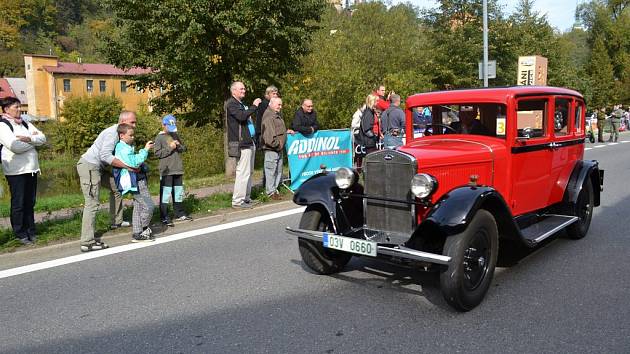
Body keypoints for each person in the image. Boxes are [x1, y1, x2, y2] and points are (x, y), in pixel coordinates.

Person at [77, 111, 137, 252]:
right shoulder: (112, 134)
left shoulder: (122, 134)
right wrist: (127, 166)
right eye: (132, 122)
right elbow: (105, 156)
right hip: (89, 166)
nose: (135, 125)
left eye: (135, 122)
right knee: (92, 203)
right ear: (123, 122)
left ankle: (116, 221)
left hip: (99, 168)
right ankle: (87, 242)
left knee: (117, 188)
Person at [0, 97, 46, 245]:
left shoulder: (25, 123)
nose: (20, 110)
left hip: (31, 168)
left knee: (30, 202)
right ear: (6, 109)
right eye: (16, 107)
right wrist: (33, 142)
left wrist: (28, 139)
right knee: (18, 203)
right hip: (16, 171)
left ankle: (31, 230)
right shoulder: (3, 125)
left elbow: (43, 138)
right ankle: (20, 233)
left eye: (20, 107)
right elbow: (15, 147)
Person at [113, 124, 155, 242]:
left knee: (137, 206)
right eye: (130, 135)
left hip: (136, 180)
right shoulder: (123, 148)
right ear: (121, 135)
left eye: (133, 135)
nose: (133, 137)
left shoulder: (125, 146)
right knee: (148, 206)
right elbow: (134, 163)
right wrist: (145, 150)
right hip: (135, 181)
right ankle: (144, 228)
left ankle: (137, 233)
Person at [226, 81, 261, 209]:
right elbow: (241, 117)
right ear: (233, 91)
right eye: (241, 89)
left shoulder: (241, 104)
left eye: (244, 88)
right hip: (241, 142)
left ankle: (246, 198)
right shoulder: (231, 104)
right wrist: (254, 106)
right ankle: (238, 201)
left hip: (249, 141)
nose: (244, 91)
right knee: (243, 172)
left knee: (249, 172)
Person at [154, 114, 191, 226]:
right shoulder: (159, 137)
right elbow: (157, 154)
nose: (170, 130)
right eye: (168, 127)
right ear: (163, 125)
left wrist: (179, 146)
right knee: (165, 194)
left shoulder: (175, 134)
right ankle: (164, 216)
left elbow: (183, 148)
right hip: (166, 170)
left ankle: (179, 213)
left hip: (177, 169)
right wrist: (170, 147)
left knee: (178, 193)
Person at [261, 97, 293, 199]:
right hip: (272, 149)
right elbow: (269, 136)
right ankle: (271, 193)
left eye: (281, 104)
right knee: (271, 170)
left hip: (277, 148)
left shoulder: (275, 115)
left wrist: (285, 133)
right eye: (278, 104)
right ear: (272, 104)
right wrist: (278, 144)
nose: (280, 107)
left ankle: (275, 190)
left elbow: (278, 130)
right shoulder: (269, 116)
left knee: (278, 170)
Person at [355, 94, 379, 172]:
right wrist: (374, 137)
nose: (377, 103)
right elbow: (367, 129)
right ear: (372, 102)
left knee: (372, 159)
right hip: (369, 141)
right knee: (371, 160)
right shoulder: (368, 113)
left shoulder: (370, 111)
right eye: (376, 101)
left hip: (370, 140)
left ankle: (370, 173)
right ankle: (369, 174)